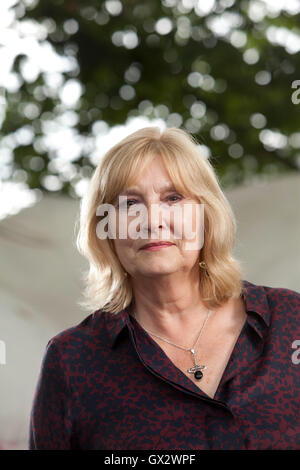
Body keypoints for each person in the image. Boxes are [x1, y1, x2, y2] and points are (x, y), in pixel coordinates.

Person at [28, 126, 300, 450]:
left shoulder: (291, 320)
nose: (152, 219)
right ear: (106, 230)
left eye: (173, 198)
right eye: (130, 203)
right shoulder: (71, 360)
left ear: (206, 216)